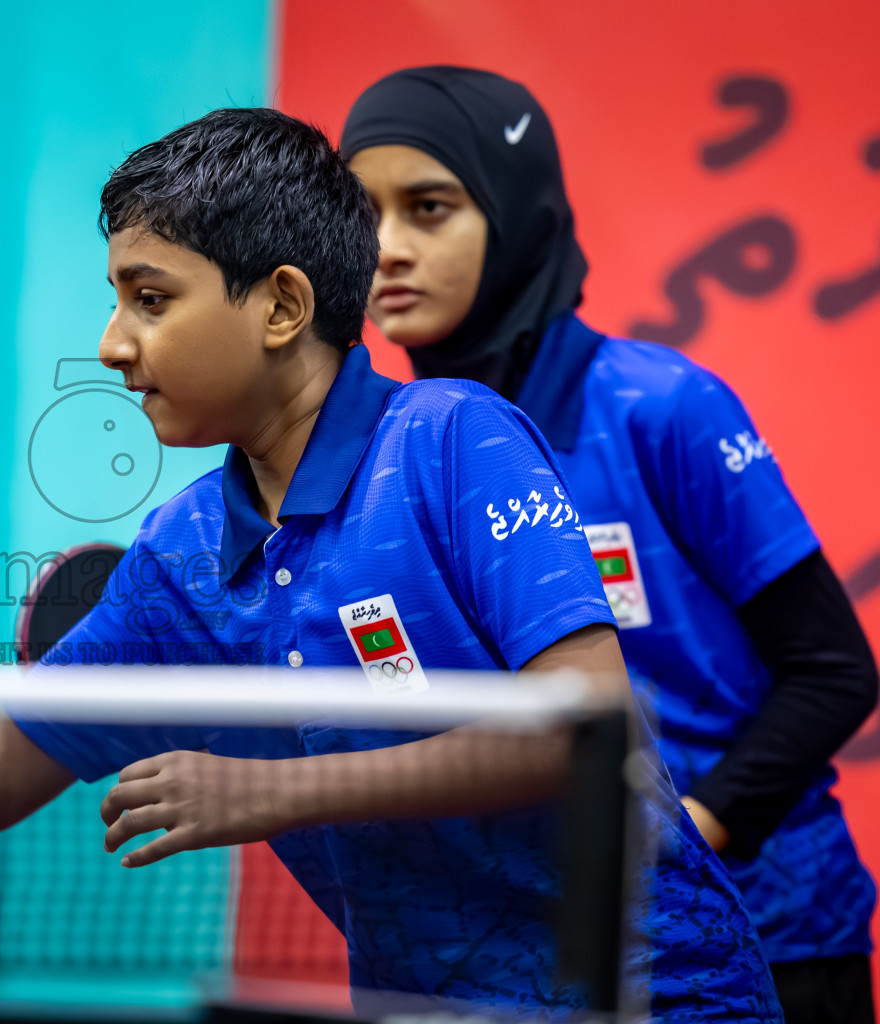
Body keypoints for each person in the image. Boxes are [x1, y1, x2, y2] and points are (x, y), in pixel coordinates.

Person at [0, 107, 780, 1019]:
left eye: (150, 298)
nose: (112, 344)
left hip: (655, 995)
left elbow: (583, 718)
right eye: (118, 300)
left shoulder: (451, 441)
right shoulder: (184, 556)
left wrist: (266, 792)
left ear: (280, 303)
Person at [340, 65, 879, 1024]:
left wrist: (676, 849)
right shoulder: (382, 459)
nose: (386, 248)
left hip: (769, 935)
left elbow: (833, 673)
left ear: (516, 214)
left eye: (430, 207)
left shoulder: (656, 406)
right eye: (361, 211)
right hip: (550, 957)